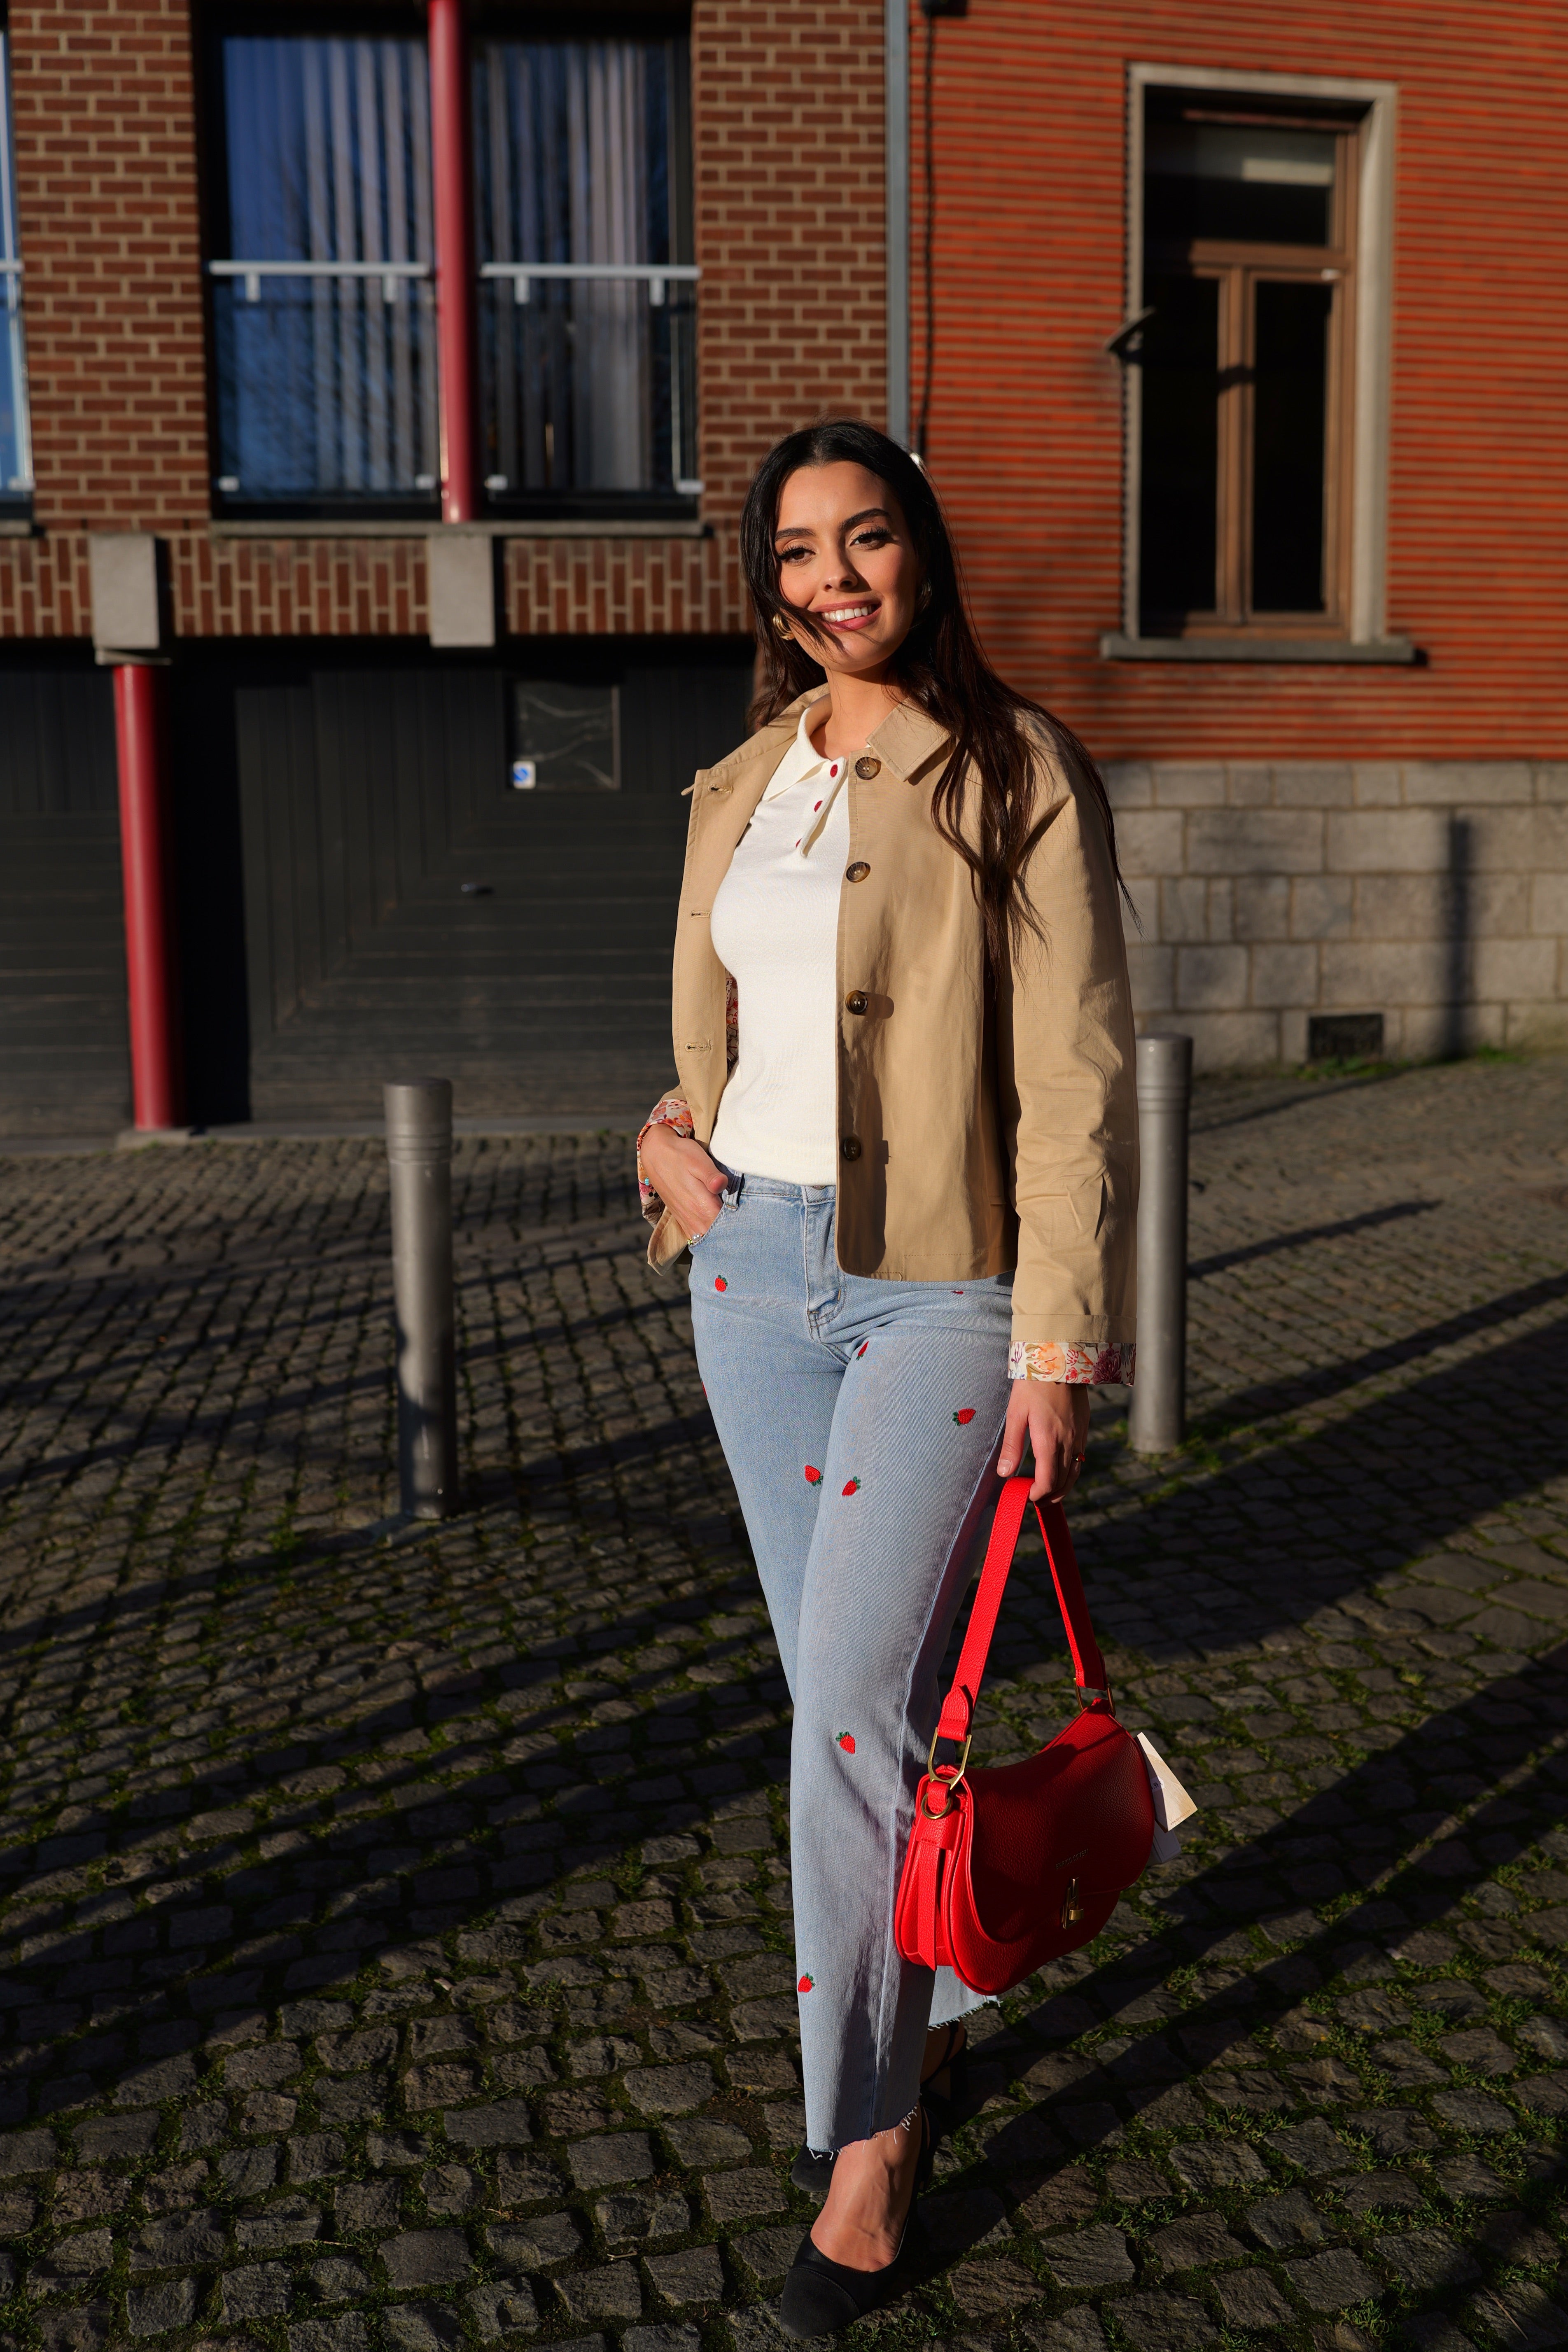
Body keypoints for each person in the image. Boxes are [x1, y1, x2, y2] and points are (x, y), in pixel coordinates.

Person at [636, 419, 1137, 2335]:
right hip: (751, 1275)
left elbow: (1077, 1073)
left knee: (844, 1712)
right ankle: (921, 2022)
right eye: (796, 551)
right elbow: (722, 1038)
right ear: (769, 582)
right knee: (856, 1698)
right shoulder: (738, 781)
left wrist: (1058, 1339)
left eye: (864, 539)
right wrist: (659, 1155)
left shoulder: (1014, 770)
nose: (831, 576)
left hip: (938, 1287)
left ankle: (869, 2145)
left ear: (921, 551)